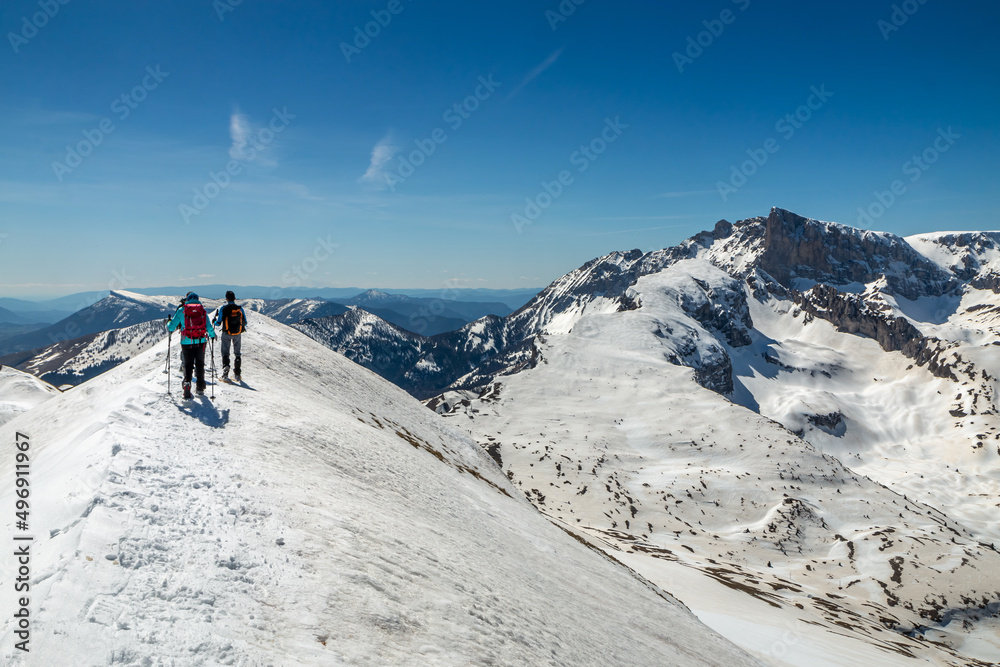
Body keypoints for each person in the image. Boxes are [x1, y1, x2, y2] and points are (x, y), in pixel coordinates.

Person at [166, 292, 216, 399]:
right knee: (200, 363)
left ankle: (187, 383)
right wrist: (212, 335)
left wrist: (169, 322)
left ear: (187, 299)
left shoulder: (182, 310)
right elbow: (208, 326)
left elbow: (171, 327)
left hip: (186, 341)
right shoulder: (202, 310)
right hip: (201, 341)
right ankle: (200, 388)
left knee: (188, 364)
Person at [213, 290, 247, 382]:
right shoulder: (240, 308)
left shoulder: (223, 308)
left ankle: (225, 372)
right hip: (237, 333)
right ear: (234, 298)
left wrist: (214, 322)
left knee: (225, 352)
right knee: (237, 353)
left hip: (226, 333)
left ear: (226, 299)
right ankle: (237, 374)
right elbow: (245, 322)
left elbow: (218, 322)